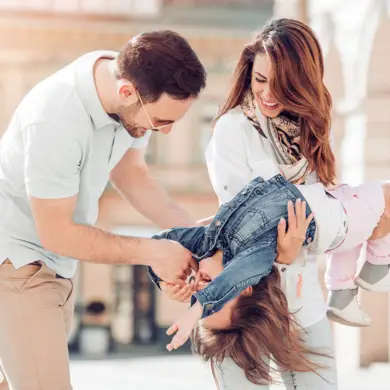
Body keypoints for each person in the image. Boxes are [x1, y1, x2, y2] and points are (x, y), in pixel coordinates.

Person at [0, 30, 206, 390]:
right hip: (16, 266)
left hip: (54, 266)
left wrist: (197, 239)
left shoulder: (125, 80)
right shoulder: (55, 118)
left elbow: (131, 174)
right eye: (160, 122)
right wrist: (154, 252)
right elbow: (58, 232)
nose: (167, 132)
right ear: (127, 92)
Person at [146, 175, 390, 384]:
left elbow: (157, 243)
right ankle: (377, 266)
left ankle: (345, 292)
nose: (199, 289)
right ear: (244, 287)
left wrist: (165, 280)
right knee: (385, 197)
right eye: (215, 304)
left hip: (332, 204)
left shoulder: (208, 241)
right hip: (339, 223)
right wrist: (196, 309)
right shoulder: (258, 255)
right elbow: (231, 278)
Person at [204, 17, 338, 389]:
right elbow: (242, 224)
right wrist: (285, 248)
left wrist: (298, 244)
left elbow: (325, 217)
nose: (267, 94)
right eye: (260, 79)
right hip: (243, 302)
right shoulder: (233, 130)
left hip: (301, 299)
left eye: (282, 84)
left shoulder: (310, 134)